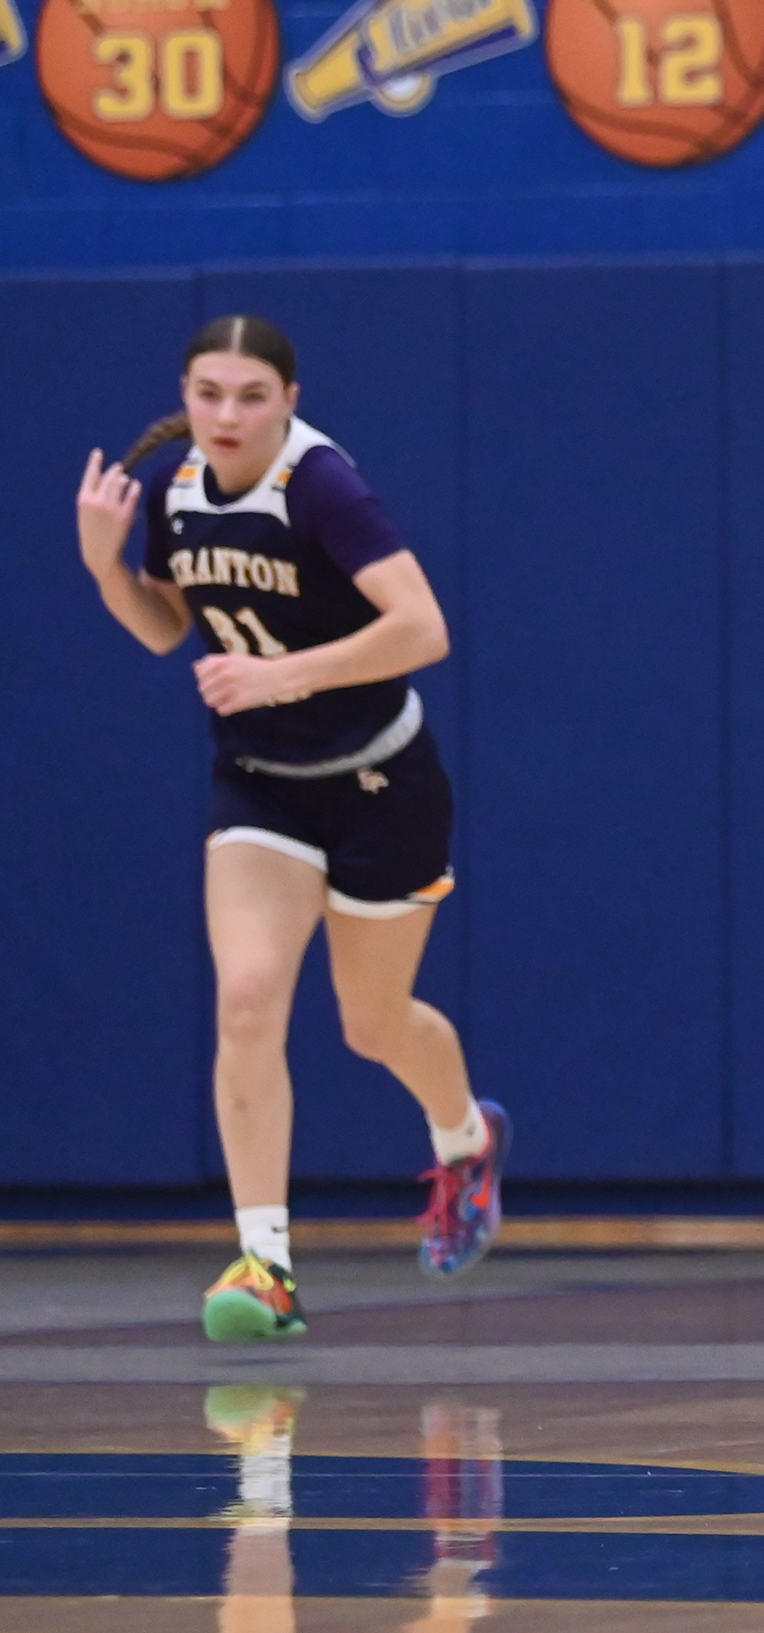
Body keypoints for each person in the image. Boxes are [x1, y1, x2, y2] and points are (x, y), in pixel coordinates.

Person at [74, 316, 508, 1344]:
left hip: (377, 781)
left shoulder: (322, 489)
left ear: (290, 400)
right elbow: (168, 624)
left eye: (250, 395)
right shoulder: (179, 489)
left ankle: (466, 1139)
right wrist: (105, 569)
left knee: (371, 1023)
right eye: (209, 393)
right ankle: (264, 1261)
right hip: (261, 786)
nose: (226, 414)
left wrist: (279, 673)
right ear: (186, 394)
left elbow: (424, 626)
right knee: (249, 994)